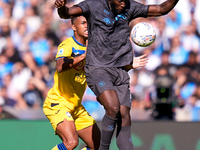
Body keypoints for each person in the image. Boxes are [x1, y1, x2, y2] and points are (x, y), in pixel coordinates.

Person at [54, 0, 179, 149]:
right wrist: (61, 7)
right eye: (119, 0)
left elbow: (161, 9)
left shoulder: (129, 6)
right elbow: (67, 13)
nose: (122, 3)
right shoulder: (93, 5)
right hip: (98, 68)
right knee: (113, 107)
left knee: (124, 115)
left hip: (120, 70)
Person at [43, 16, 101, 150]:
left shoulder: (94, 47)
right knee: (71, 142)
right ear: (74, 27)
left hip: (76, 107)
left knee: (97, 146)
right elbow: (59, 66)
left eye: (89, 23)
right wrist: (82, 57)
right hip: (59, 102)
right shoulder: (68, 45)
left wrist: (130, 65)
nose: (87, 26)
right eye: (83, 23)